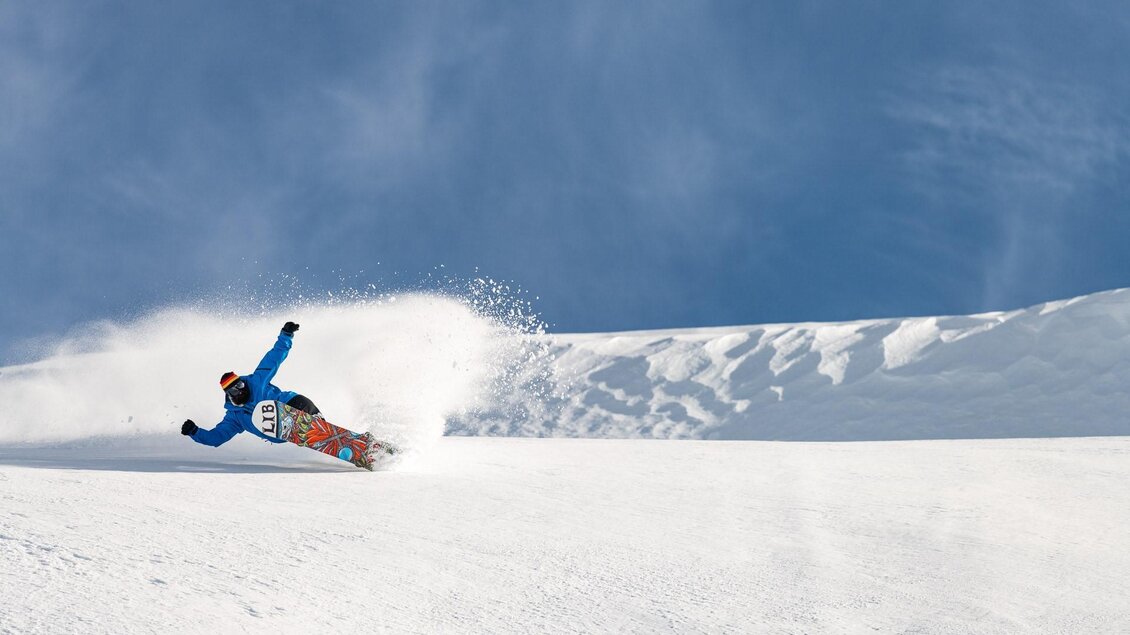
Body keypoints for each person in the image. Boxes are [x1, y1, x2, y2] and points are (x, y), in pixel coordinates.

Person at [181, 321, 321, 447]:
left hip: (292, 404)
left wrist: (286, 335)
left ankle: (319, 424)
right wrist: (195, 432)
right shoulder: (235, 417)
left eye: (240, 385)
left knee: (305, 408)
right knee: (294, 429)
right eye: (234, 391)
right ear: (229, 396)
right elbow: (217, 437)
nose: (240, 390)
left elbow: (274, 357)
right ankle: (303, 429)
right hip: (279, 431)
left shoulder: (256, 380)